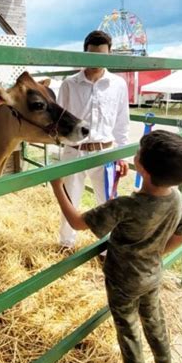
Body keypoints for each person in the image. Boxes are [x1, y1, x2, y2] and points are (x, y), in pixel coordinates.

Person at [51, 130, 182, 363]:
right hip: (152, 275)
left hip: (123, 281)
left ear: (142, 167)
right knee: (155, 324)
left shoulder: (128, 207)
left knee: (129, 334)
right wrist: (150, 253)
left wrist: (57, 187)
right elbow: (179, 237)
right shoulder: (177, 199)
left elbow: (79, 222)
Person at [57, 30, 130, 249]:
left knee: (108, 203)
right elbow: (60, 120)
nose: (97, 61)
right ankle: (65, 244)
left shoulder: (118, 84)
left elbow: (121, 122)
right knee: (70, 199)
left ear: (110, 55)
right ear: (84, 53)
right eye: (92, 55)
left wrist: (123, 155)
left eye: (102, 56)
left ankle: (107, 246)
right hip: (74, 151)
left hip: (105, 152)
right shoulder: (69, 84)